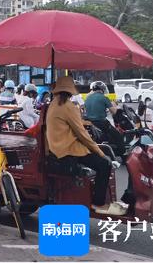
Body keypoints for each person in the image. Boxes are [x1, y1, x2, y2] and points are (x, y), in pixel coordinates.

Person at [46, 76, 125, 216]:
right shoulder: (68, 106)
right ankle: (98, 203)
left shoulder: (53, 104)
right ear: (70, 91)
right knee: (104, 164)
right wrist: (101, 153)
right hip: (68, 151)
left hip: (56, 148)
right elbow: (83, 135)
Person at [84, 81, 125, 157]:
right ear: (102, 89)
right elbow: (113, 112)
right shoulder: (104, 98)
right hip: (102, 123)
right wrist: (114, 105)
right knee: (118, 136)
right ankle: (122, 155)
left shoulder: (88, 98)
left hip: (90, 124)